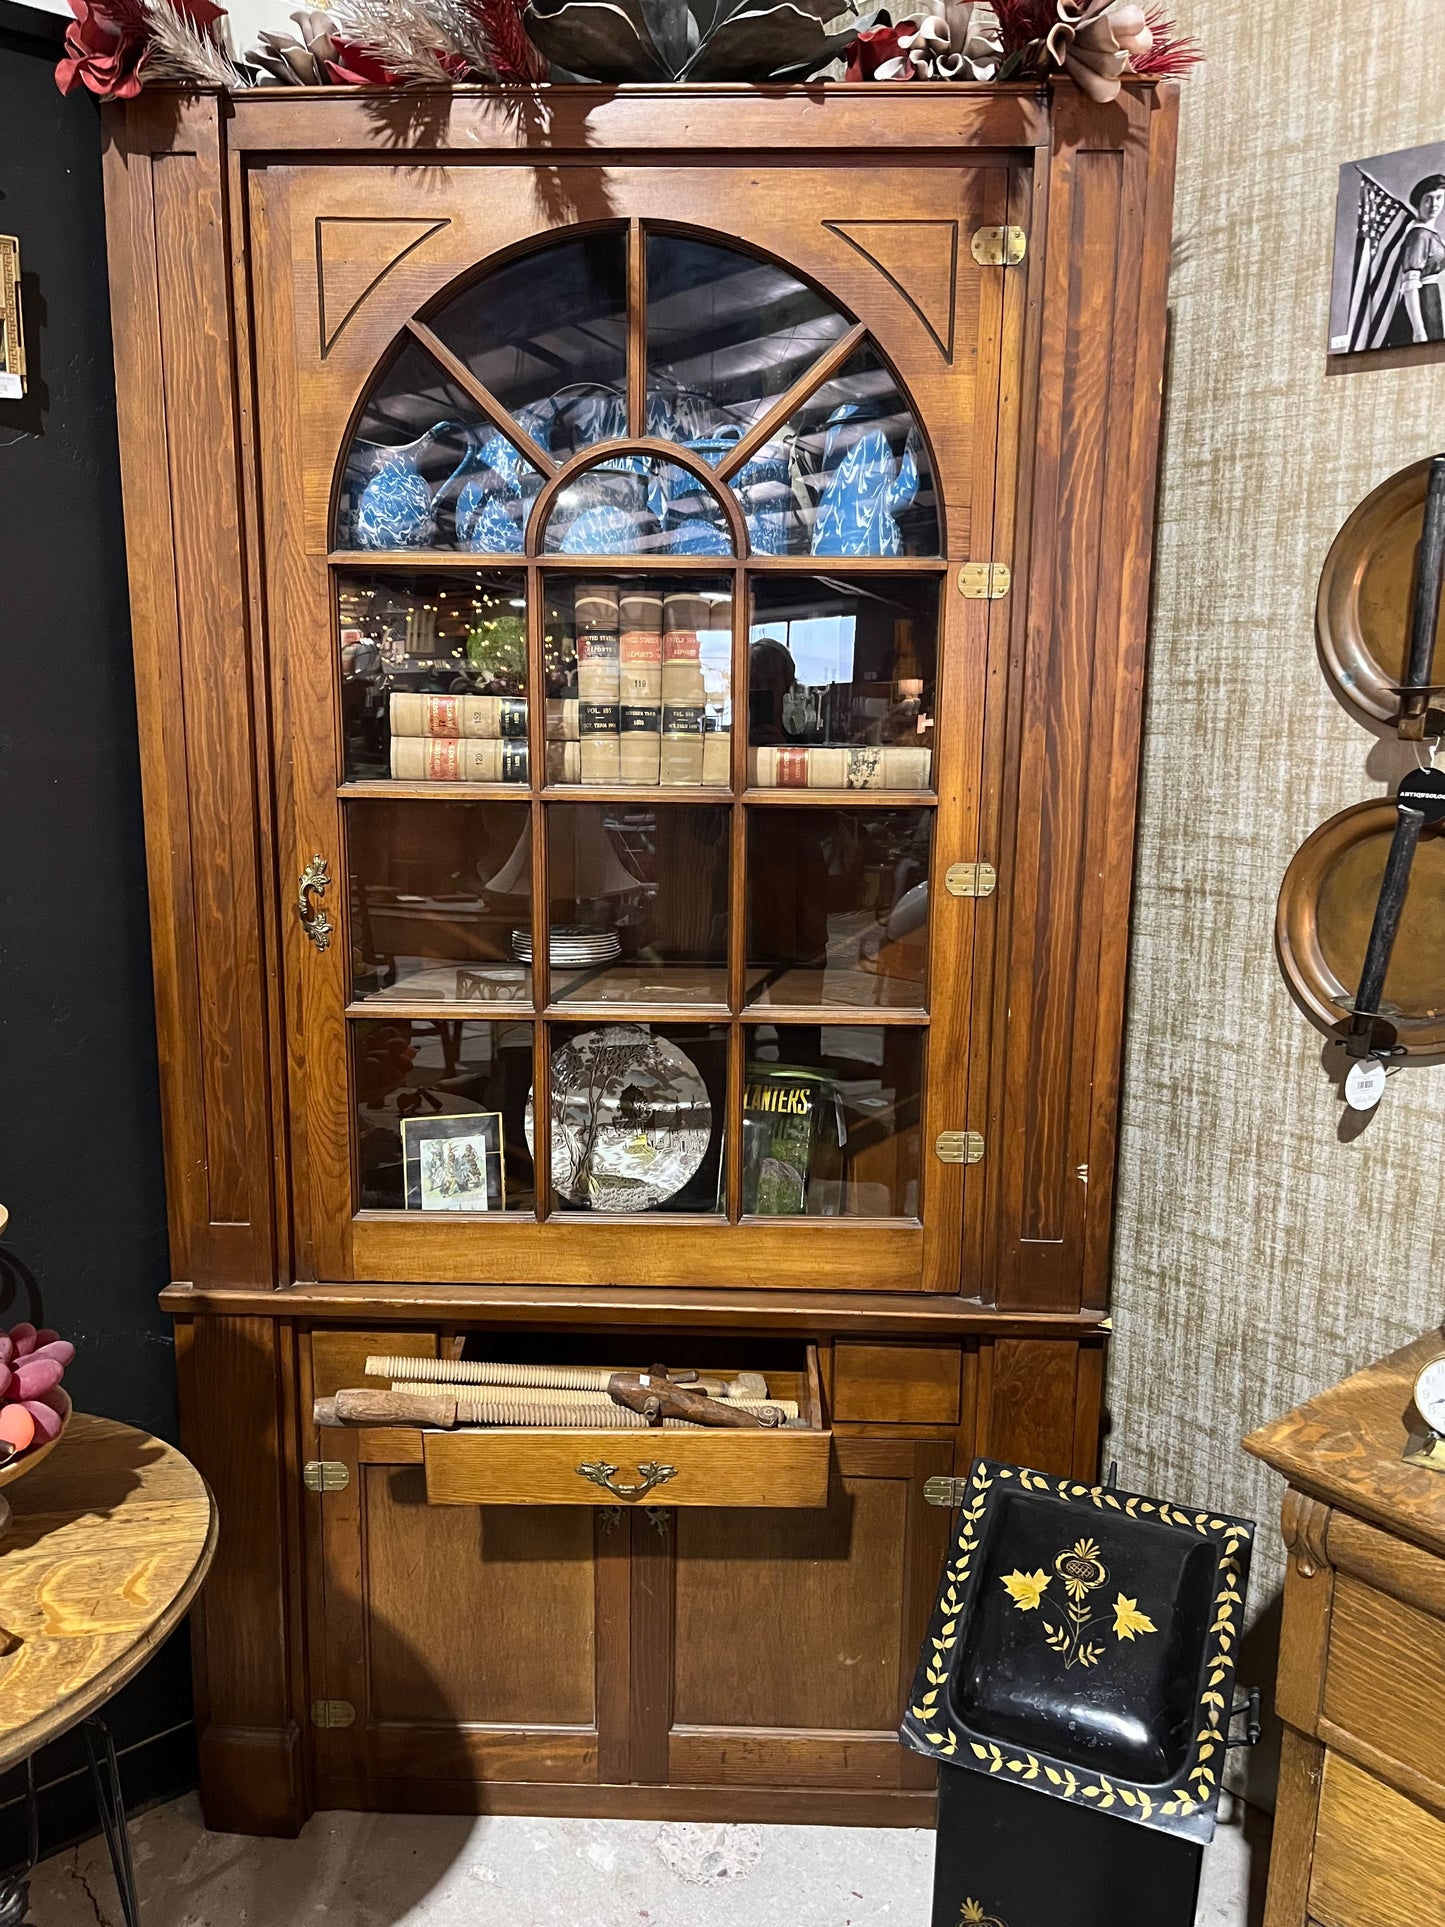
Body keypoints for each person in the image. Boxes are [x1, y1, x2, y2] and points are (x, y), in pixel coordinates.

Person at [1392, 173, 1445, 345]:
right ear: (1419, 202)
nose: (1434, 204)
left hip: (1432, 301)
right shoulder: (1419, 235)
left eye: (1439, 198)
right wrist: (1419, 330)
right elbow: (1410, 287)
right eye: (1428, 199)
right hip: (1420, 306)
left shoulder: (1432, 235)